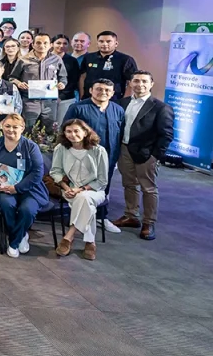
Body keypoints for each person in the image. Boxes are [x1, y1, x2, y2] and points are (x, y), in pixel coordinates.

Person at [112, 71, 174, 240]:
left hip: (147, 154)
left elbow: (166, 135)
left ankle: (149, 222)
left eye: (144, 81)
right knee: (129, 184)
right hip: (124, 150)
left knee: (149, 188)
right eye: (136, 81)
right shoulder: (121, 103)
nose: (140, 84)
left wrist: (155, 156)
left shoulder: (161, 108)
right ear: (130, 83)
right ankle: (131, 215)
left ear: (151, 84)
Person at [0, 114, 49, 258]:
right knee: (6, 205)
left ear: (22, 128)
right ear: (2, 127)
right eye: (7, 126)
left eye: (15, 127)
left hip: (30, 189)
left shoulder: (31, 147)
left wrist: (17, 188)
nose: (11, 130)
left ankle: (15, 241)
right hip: (3, 189)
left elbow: (37, 173)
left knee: (27, 209)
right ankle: (21, 235)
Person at [51, 119, 109, 261]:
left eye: (76, 131)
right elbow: (55, 172)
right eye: (68, 131)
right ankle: (90, 242)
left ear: (85, 132)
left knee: (85, 198)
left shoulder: (99, 151)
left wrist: (81, 189)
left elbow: (102, 180)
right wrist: (67, 188)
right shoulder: (61, 149)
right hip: (70, 189)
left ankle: (69, 236)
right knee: (86, 204)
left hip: (95, 190)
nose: (72, 134)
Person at [63, 79, 124, 185]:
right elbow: (65, 131)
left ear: (113, 93)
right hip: (83, 156)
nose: (103, 92)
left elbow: (121, 133)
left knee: (104, 185)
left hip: (109, 156)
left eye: (107, 90)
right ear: (91, 90)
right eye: (99, 89)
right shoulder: (77, 108)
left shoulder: (118, 110)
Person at [10, 32, 66, 133]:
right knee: (29, 129)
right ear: (33, 44)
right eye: (38, 43)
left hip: (50, 102)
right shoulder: (23, 60)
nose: (42, 46)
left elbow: (63, 77)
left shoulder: (56, 59)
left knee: (50, 130)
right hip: (30, 101)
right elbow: (12, 78)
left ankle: (48, 149)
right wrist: (19, 83)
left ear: (50, 45)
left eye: (45, 43)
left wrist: (62, 84)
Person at [80, 31, 138, 99]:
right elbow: (82, 77)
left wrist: (125, 100)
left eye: (108, 41)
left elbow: (131, 82)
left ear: (116, 44)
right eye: (101, 41)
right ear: (97, 43)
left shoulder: (125, 59)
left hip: (114, 100)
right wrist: (82, 96)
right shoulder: (89, 57)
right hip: (89, 98)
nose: (104, 44)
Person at [52, 34, 81, 124]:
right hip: (47, 98)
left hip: (65, 99)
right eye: (58, 43)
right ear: (52, 44)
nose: (61, 46)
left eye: (65, 43)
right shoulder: (46, 58)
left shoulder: (72, 61)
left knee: (62, 124)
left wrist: (61, 97)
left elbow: (73, 80)